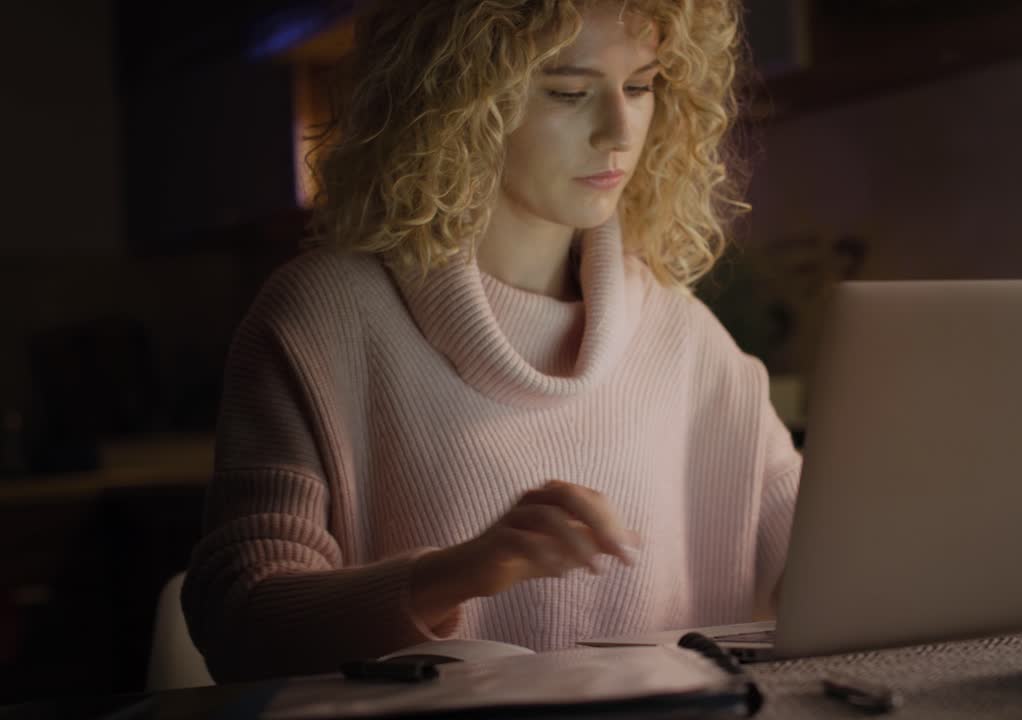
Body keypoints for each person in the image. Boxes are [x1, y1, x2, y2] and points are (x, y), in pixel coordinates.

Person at [182, 0, 801, 682]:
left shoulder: (682, 334)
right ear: (458, 100)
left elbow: (830, 549)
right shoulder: (323, 316)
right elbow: (238, 621)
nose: (620, 130)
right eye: (569, 91)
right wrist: (456, 574)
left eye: (640, 85)